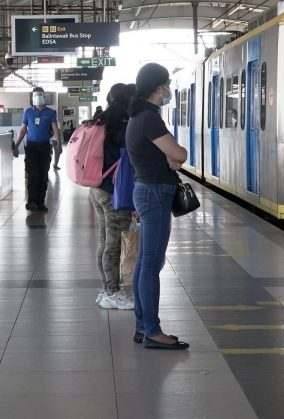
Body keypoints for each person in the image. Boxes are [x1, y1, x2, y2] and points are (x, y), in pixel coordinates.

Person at [126, 63, 189, 350]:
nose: (168, 89)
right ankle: (152, 330)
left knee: (145, 262)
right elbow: (178, 155)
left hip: (146, 190)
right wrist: (177, 156)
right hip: (154, 193)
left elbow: (169, 158)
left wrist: (171, 160)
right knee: (151, 264)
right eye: (165, 84)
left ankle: (143, 325)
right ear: (156, 87)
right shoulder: (150, 119)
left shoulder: (137, 117)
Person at [92, 83, 137, 311]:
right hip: (113, 191)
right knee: (113, 243)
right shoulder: (123, 123)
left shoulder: (102, 117)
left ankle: (106, 289)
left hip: (97, 188)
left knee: (104, 241)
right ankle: (113, 291)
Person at [13, 87, 62, 211]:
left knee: (43, 175)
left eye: (40, 94)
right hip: (31, 147)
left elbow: (56, 129)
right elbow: (23, 129)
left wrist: (59, 144)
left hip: (45, 147)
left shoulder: (51, 112)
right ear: (32, 97)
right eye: (36, 95)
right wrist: (16, 145)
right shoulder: (28, 112)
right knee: (33, 174)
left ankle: (40, 202)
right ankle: (31, 202)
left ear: (44, 96)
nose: (38, 97)